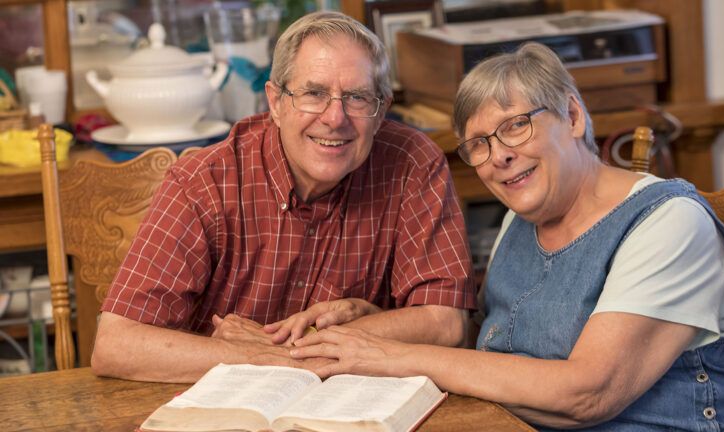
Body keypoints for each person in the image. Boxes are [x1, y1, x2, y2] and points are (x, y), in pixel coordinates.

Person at [289, 42, 724, 431]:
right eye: (479, 144)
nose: (499, 157)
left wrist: (392, 356)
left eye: (516, 126)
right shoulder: (522, 220)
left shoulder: (670, 223)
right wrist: (378, 321)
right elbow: (496, 346)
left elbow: (587, 393)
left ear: (573, 117)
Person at [90, 11, 476, 383]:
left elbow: (446, 323)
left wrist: (297, 348)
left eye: (357, 97)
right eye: (314, 93)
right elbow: (117, 345)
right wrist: (272, 359)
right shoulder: (203, 182)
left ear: (381, 110)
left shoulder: (413, 162)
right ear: (275, 102)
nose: (334, 118)